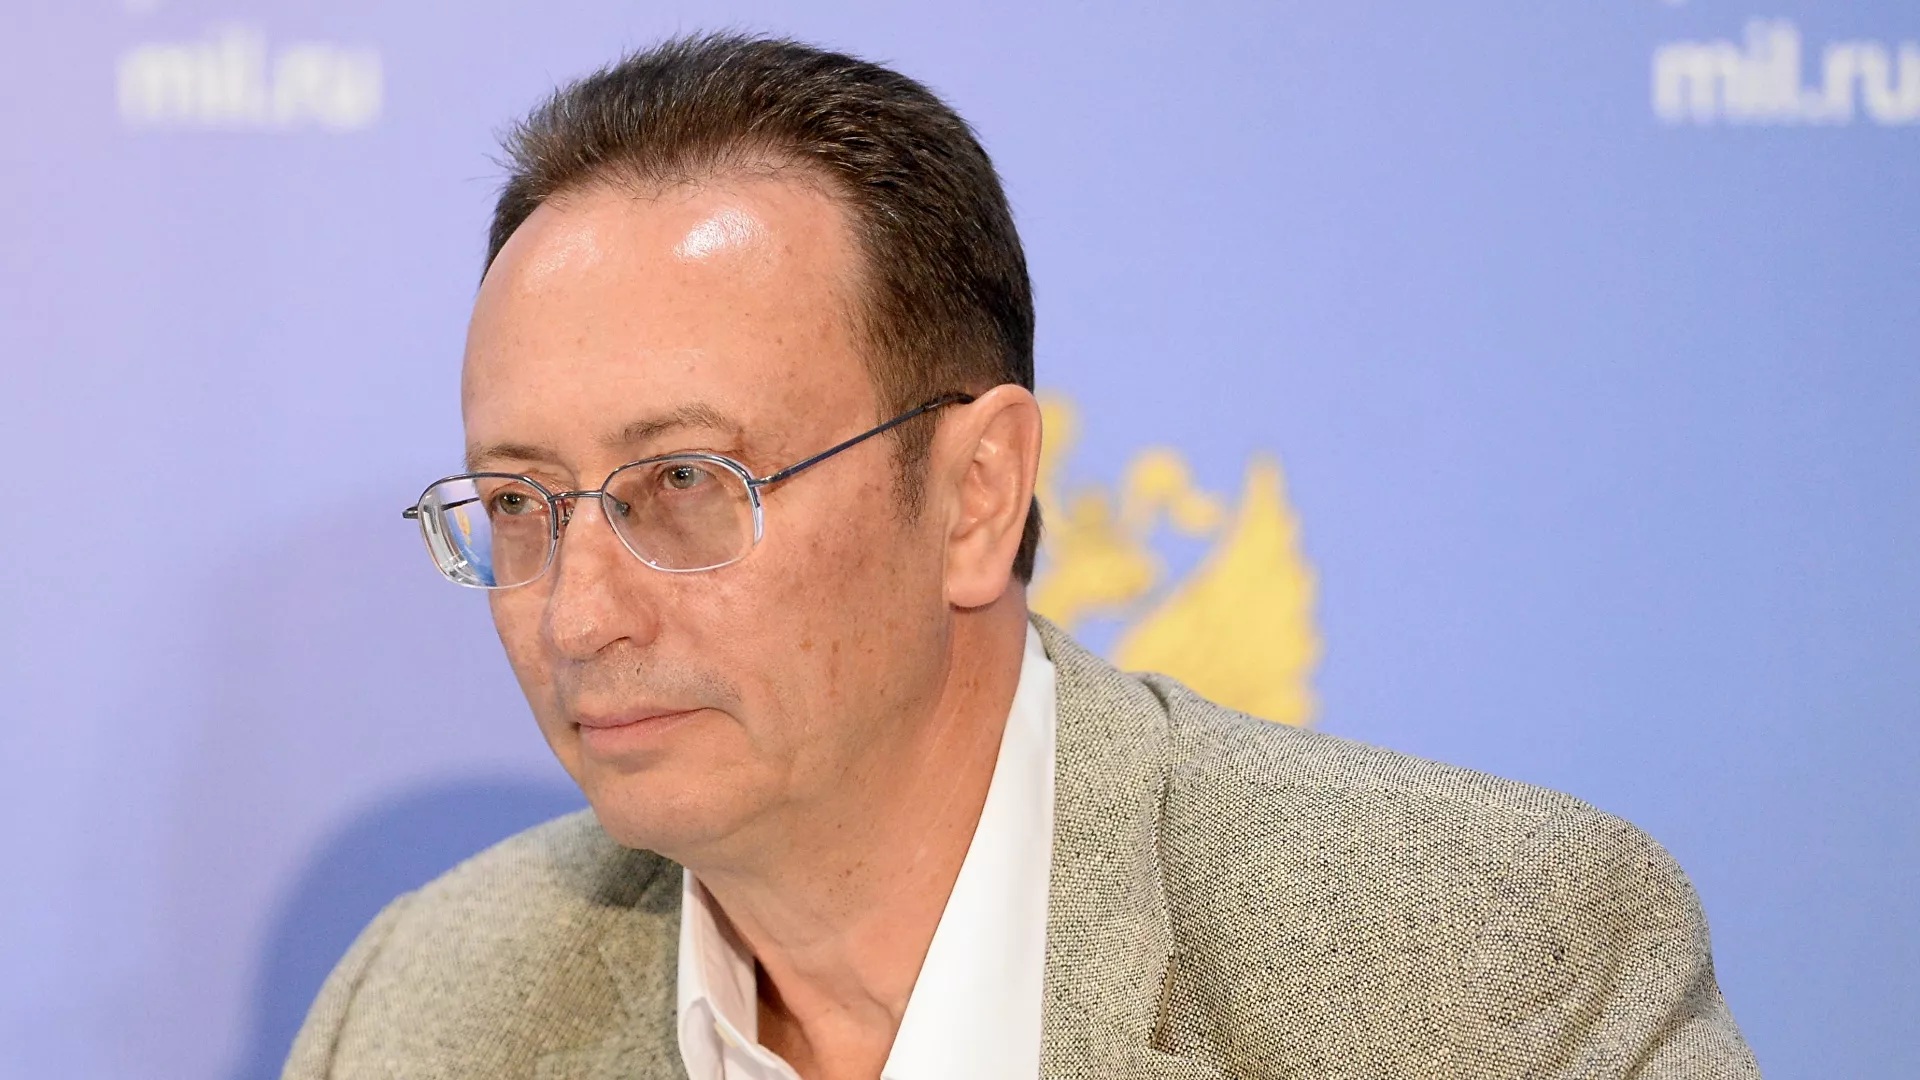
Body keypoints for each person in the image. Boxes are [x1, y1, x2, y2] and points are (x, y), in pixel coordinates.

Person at [284, 33, 1760, 1080]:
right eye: (520, 502)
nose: (577, 616)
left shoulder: (1481, 973)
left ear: (976, 494)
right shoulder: (418, 1013)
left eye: (683, 483)